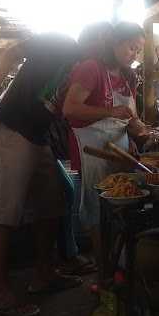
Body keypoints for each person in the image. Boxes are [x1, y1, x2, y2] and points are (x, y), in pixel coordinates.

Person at [0, 29, 106, 316]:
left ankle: (43, 274)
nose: (104, 47)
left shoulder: (89, 69)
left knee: (53, 201)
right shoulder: (60, 42)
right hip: (13, 128)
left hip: (38, 136)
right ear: (91, 38)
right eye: (103, 40)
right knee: (4, 209)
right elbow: (11, 53)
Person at [62, 22, 152, 269]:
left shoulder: (127, 75)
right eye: (131, 47)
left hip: (120, 151)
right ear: (114, 43)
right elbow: (70, 109)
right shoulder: (91, 68)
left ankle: (119, 265)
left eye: (138, 50)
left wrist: (139, 132)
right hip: (93, 151)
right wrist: (110, 111)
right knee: (97, 209)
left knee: (120, 210)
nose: (134, 55)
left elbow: (128, 118)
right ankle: (104, 271)